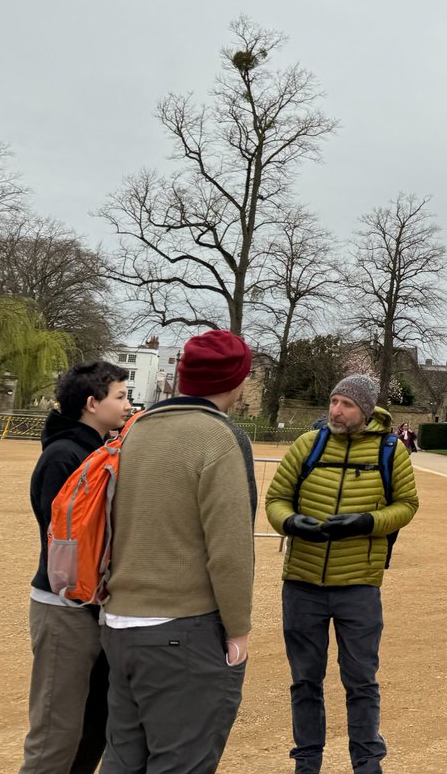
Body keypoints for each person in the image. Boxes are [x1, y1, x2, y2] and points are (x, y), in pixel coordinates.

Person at [99, 329, 257, 774]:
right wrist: (238, 629)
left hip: (120, 622)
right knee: (183, 762)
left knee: (122, 759)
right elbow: (229, 550)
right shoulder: (218, 437)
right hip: (181, 628)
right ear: (236, 380)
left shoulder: (135, 430)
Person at [266, 375, 420, 774]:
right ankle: (307, 762)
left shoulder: (390, 450)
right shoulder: (308, 444)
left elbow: (406, 504)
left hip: (358, 585)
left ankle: (367, 764)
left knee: (361, 682)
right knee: (304, 681)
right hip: (302, 582)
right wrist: (291, 522)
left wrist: (367, 521)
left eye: (346, 404)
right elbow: (276, 499)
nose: (335, 410)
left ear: (365, 410)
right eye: (333, 401)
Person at [21, 361, 129, 774]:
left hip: (93, 609)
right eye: (119, 396)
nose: (127, 404)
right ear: (91, 403)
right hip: (65, 607)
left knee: (93, 725)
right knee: (55, 735)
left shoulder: (97, 451)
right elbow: (65, 544)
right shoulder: (64, 455)